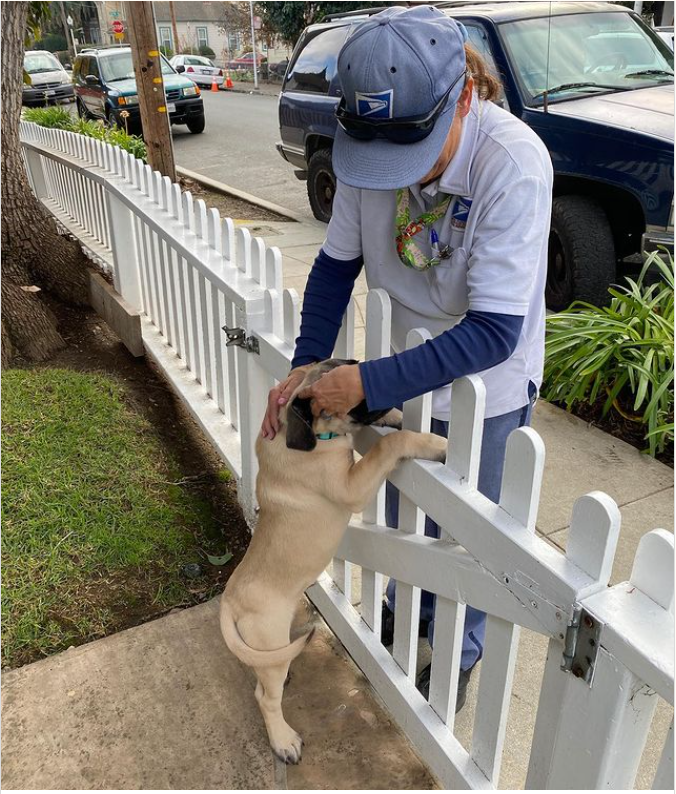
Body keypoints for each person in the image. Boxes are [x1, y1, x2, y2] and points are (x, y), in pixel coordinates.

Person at [261, 4, 553, 712]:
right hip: (401, 375)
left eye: (413, 151)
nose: (392, 171)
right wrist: (309, 368)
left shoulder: (512, 164)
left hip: (488, 383)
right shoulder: (370, 147)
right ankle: (404, 605)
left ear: (461, 96)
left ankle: (460, 651)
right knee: (402, 507)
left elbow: (493, 331)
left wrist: (365, 382)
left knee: (470, 536)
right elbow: (335, 270)